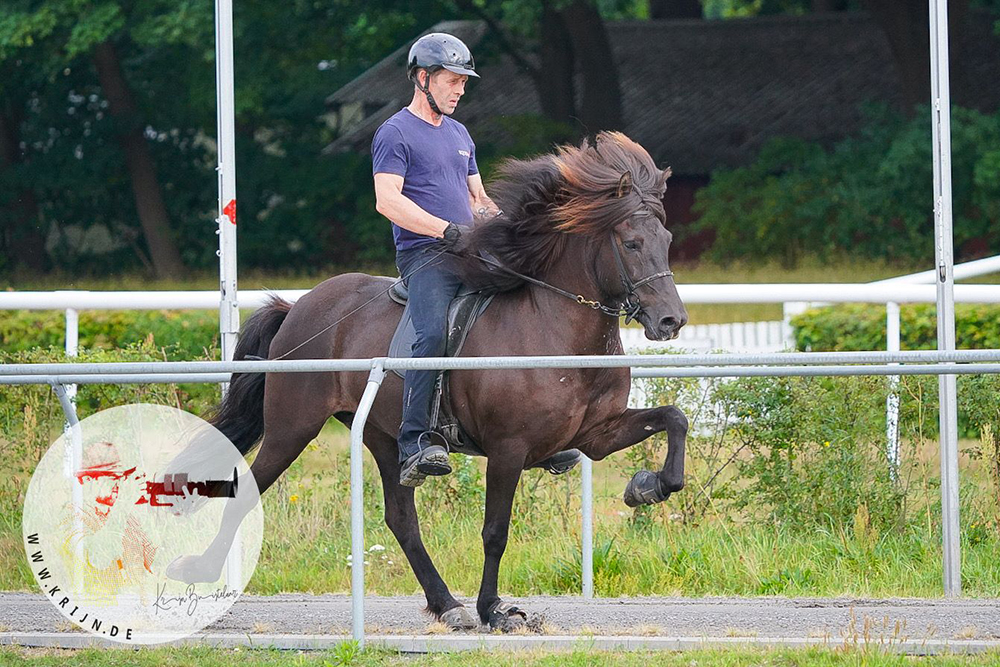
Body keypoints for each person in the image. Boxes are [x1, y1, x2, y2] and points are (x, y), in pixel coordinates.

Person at [372, 32, 494, 487]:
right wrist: (444, 230)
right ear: (423, 79)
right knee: (433, 334)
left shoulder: (461, 134)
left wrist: (514, 227)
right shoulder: (395, 132)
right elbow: (388, 200)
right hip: (425, 255)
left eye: (464, 82)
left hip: (468, 250)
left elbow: (478, 200)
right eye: (452, 81)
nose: (460, 90)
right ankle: (415, 442)